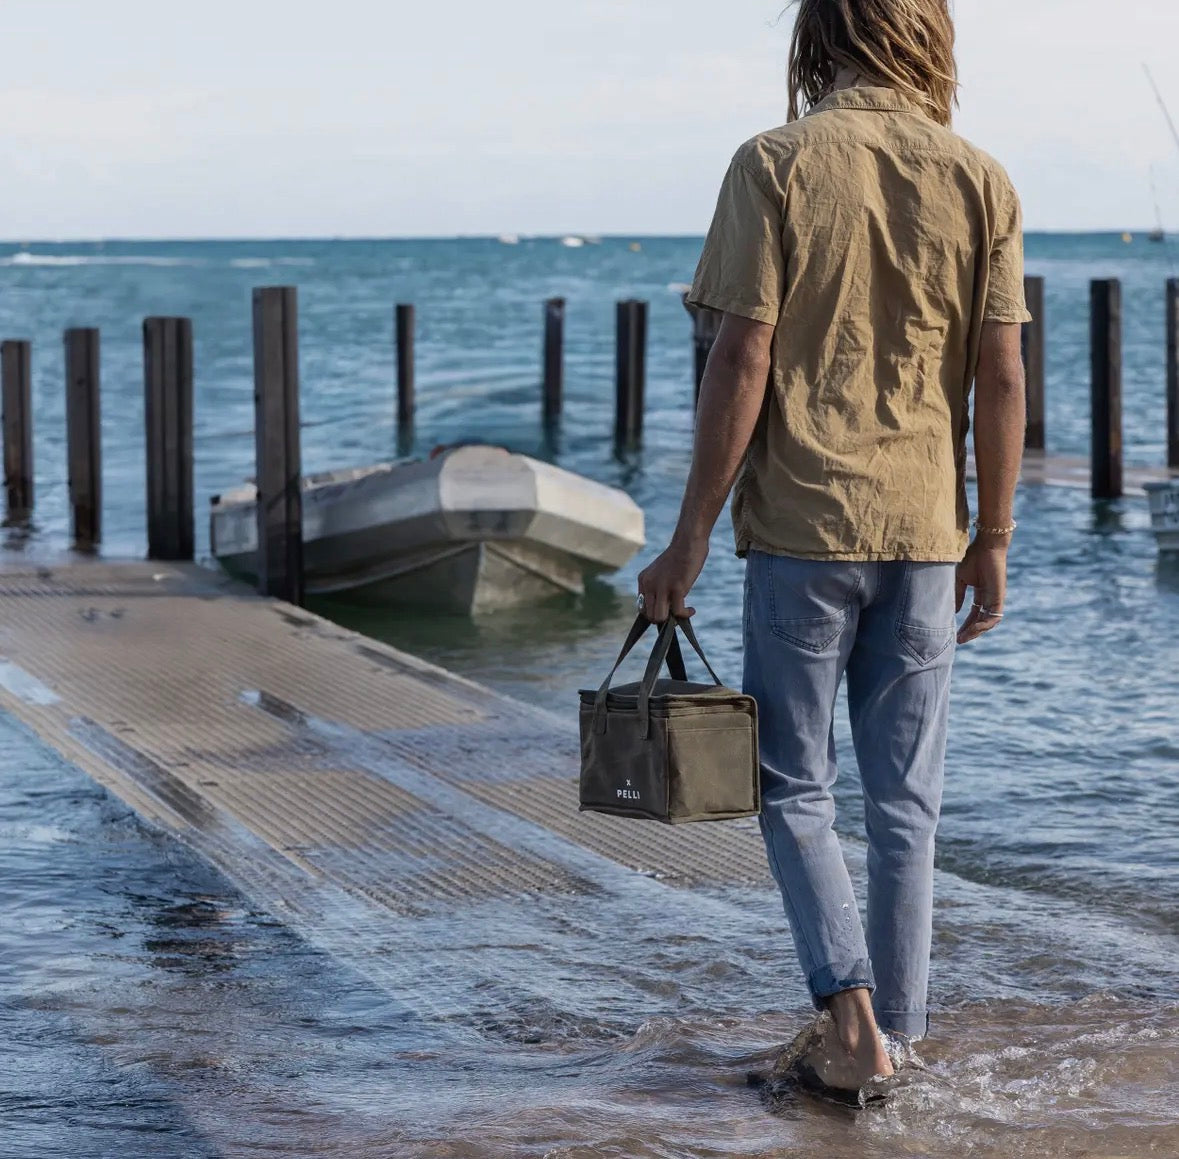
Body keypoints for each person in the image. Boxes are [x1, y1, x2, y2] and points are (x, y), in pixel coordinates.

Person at [636, 0, 1029, 1094]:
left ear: (821, 38)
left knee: (792, 785)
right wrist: (991, 537)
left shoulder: (774, 162)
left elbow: (740, 356)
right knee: (907, 805)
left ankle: (850, 1019)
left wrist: (688, 537)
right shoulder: (981, 177)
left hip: (806, 530)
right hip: (924, 532)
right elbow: (1001, 376)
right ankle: (896, 1039)